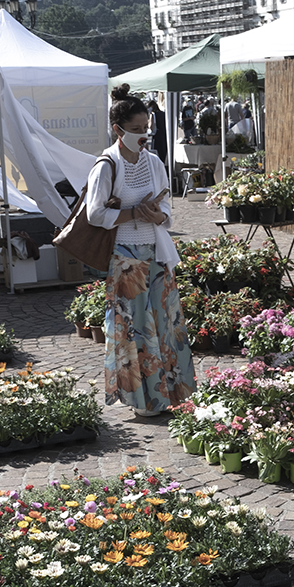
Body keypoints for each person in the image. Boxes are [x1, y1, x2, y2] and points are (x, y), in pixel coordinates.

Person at [85, 84, 195, 417]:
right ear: (117, 130)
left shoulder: (154, 161)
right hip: (126, 258)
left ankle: (174, 392)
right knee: (135, 330)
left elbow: (168, 213)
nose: (143, 135)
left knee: (166, 324)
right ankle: (144, 400)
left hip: (157, 254)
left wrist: (157, 215)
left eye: (146, 129)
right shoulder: (106, 165)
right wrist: (134, 213)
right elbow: (95, 213)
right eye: (136, 130)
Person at [147, 98, 167, 165]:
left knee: (156, 152)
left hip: (157, 136)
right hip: (164, 135)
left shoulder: (153, 114)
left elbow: (151, 126)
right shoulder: (163, 114)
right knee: (163, 152)